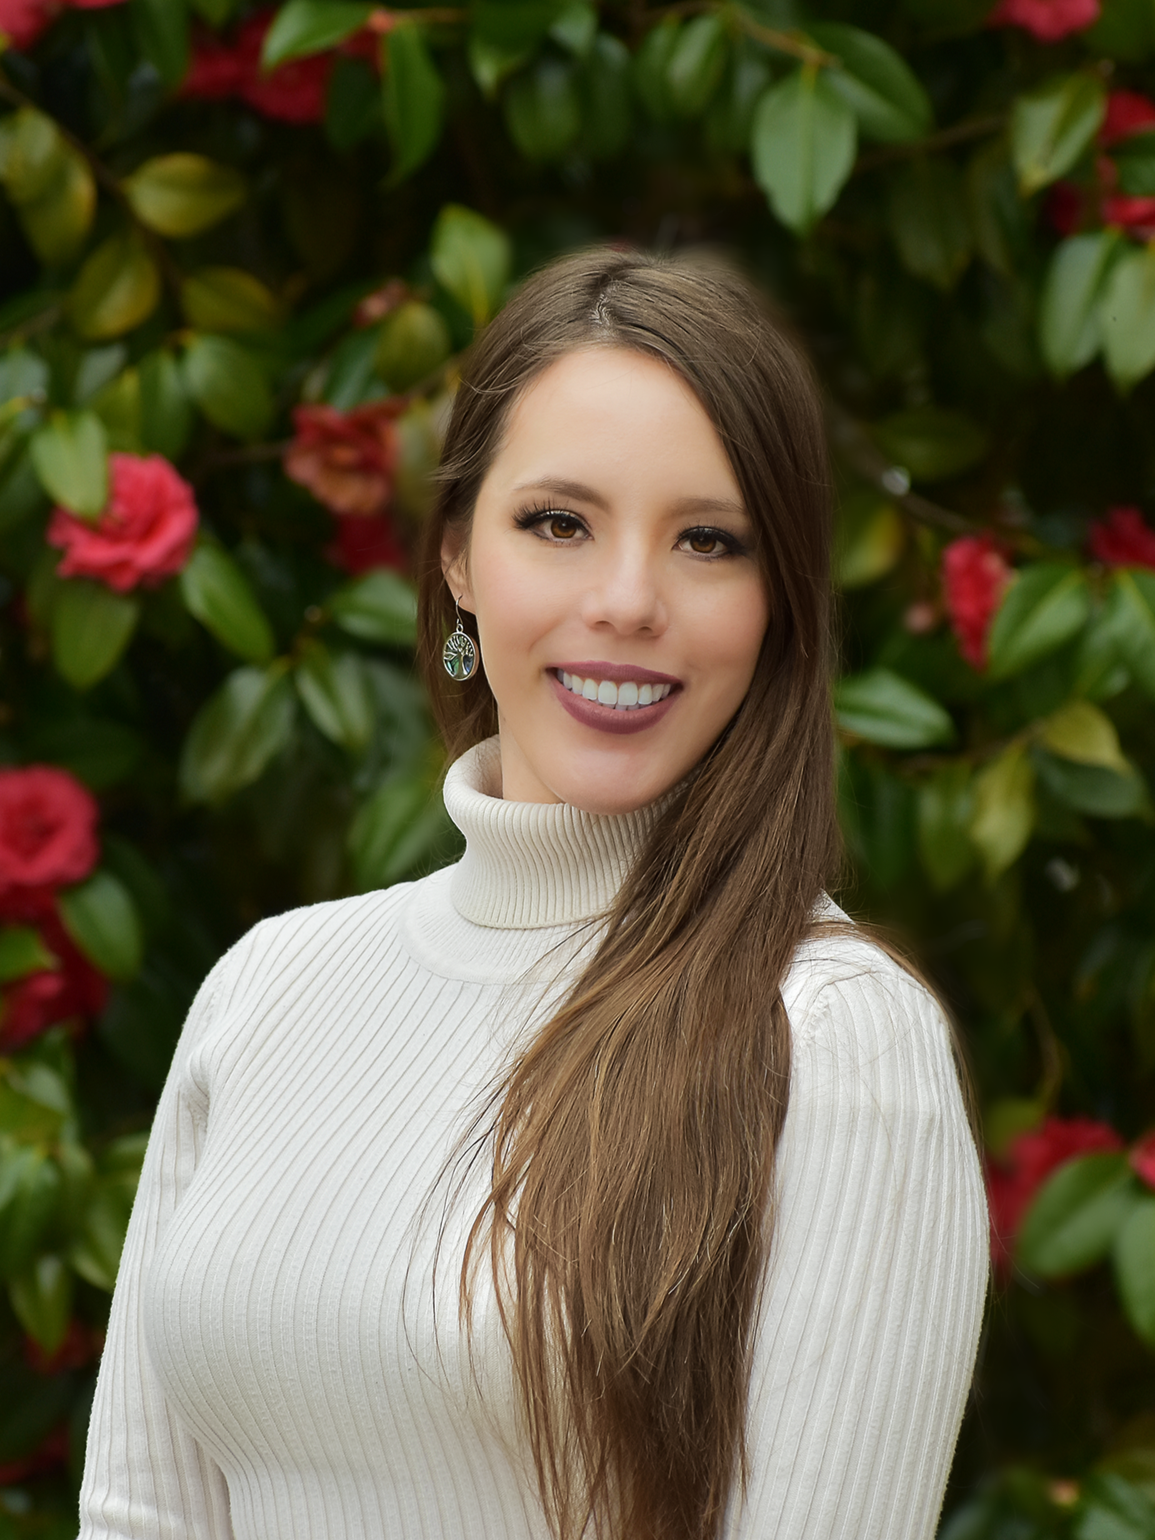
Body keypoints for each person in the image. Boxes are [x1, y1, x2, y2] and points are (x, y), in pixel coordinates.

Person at [77, 248, 988, 1540]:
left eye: (709, 541)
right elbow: (139, 1517)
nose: (626, 602)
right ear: (457, 555)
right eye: (559, 523)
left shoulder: (833, 1035)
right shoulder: (265, 987)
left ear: (777, 601)